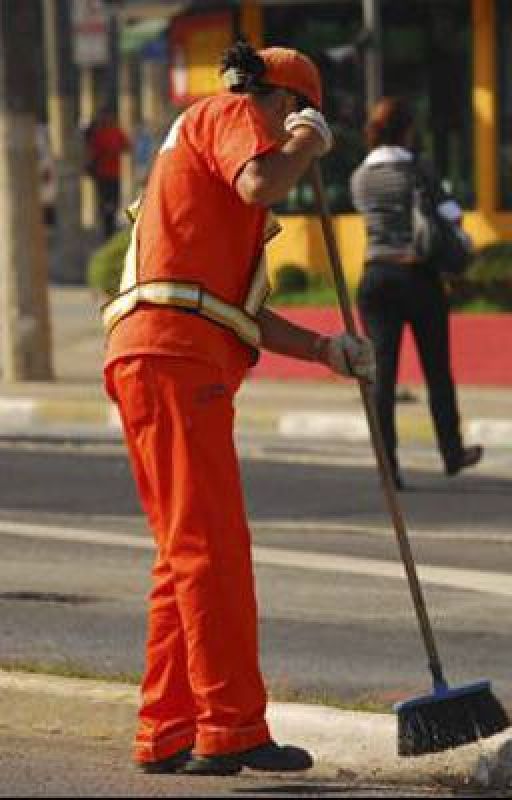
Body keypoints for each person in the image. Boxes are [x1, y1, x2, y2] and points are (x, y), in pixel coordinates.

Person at [102, 41, 375, 777]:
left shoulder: (202, 174)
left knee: (182, 555)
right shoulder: (228, 115)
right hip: (175, 359)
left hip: (161, 352)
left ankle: (166, 729)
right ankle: (228, 727)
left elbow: (236, 312)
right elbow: (262, 181)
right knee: (212, 550)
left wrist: (325, 350)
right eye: (297, 112)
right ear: (282, 101)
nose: (293, 126)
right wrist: (307, 146)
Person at [350, 96, 482, 489]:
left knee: (381, 377)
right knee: (437, 369)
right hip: (417, 275)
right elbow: (451, 216)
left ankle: (387, 465)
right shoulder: (419, 168)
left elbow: (368, 214)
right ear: (408, 129)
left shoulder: (360, 176)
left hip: (375, 279)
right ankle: (452, 451)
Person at [85, 108, 131, 239]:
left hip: (113, 174)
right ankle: (108, 228)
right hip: (104, 174)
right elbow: (92, 153)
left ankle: (109, 227)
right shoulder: (100, 134)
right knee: (107, 203)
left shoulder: (115, 133)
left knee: (112, 202)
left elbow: (126, 146)